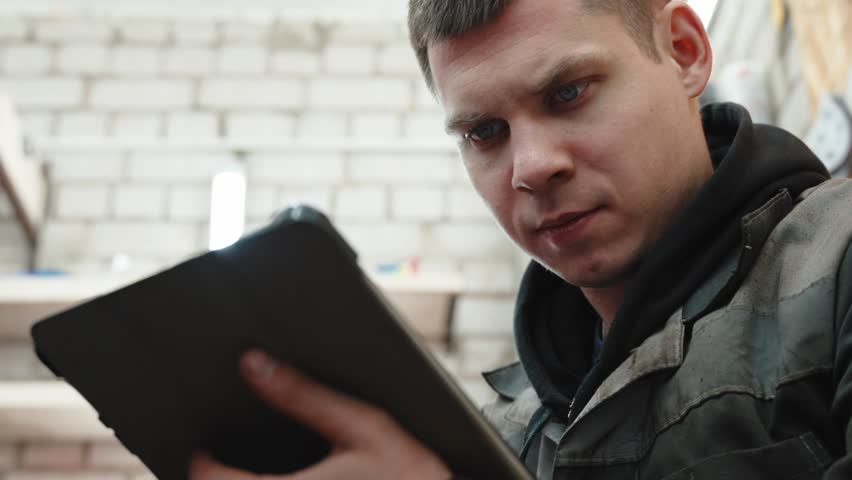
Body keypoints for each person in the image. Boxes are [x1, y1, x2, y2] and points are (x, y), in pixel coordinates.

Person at [190, 0, 852, 478]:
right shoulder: (500, 438)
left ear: (684, 51)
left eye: (567, 92)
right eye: (484, 132)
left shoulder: (839, 261)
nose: (531, 167)